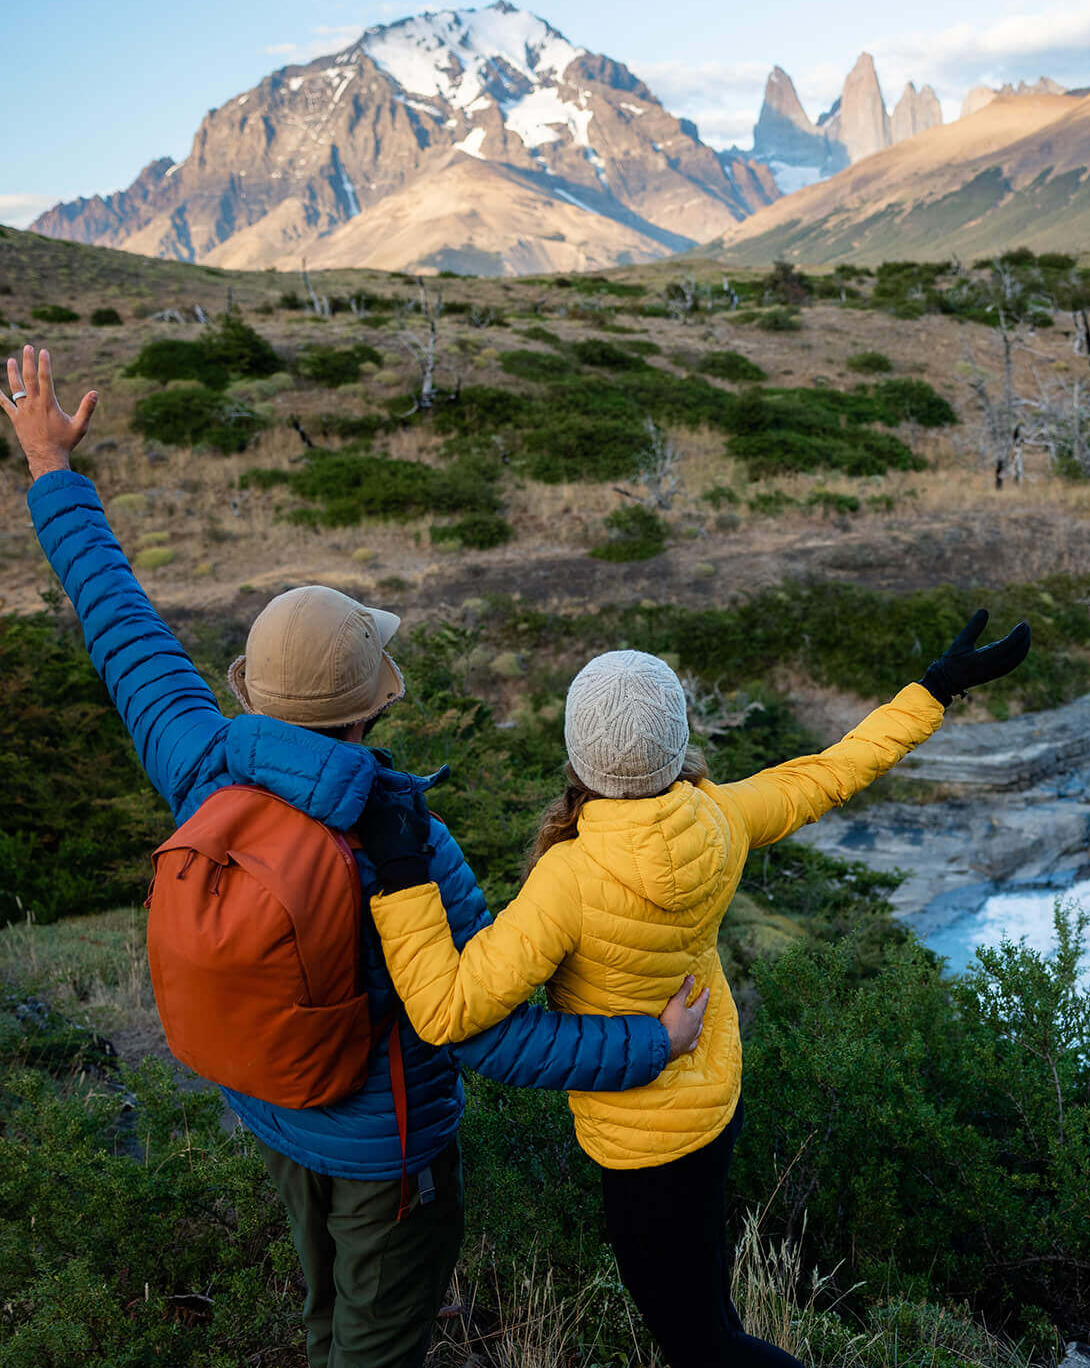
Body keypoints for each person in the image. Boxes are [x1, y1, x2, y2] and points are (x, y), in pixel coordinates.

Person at [1, 345, 707, 1368]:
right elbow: (483, 1033)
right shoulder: (405, 844)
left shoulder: (202, 765)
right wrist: (652, 1041)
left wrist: (50, 468)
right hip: (390, 1159)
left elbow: (122, 627)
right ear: (374, 704)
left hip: (276, 1112)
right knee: (374, 1345)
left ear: (255, 693)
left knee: (327, 1312)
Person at [361, 615, 1031, 1366]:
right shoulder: (720, 816)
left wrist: (402, 880)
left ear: (579, 757)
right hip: (713, 1101)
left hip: (641, 1144)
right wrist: (935, 688)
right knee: (711, 1305)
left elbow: (447, 1008)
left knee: (700, 1342)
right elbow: (832, 771)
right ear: (677, 745)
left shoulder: (570, 879)